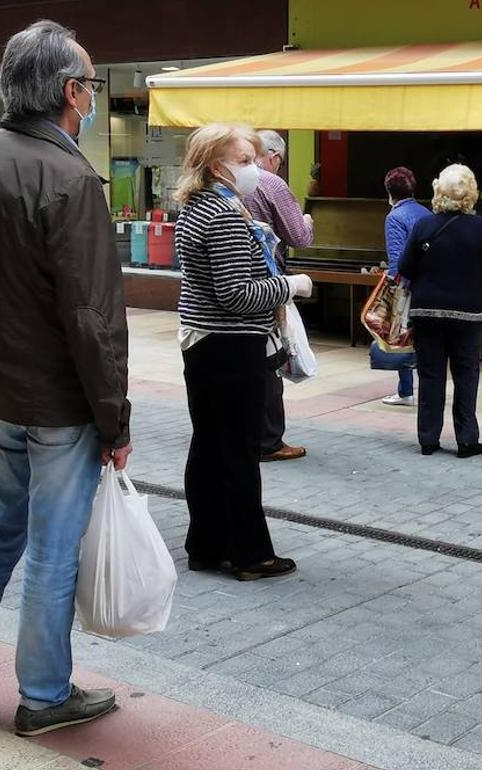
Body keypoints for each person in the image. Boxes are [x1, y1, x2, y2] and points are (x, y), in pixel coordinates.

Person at [0, 20, 132, 737]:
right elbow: (92, 315)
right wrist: (115, 419)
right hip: (57, 399)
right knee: (50, 550)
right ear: (71, 92)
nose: (93, 97)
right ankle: (44, 694)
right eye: (91, 86)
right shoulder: (70, 176)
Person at [174, 122, 313, 581]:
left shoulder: (196, 207)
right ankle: (250, 553)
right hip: (232, 346)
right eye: (245, 161)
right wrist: (288, 286)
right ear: (217, 166)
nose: (254, 169)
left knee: (210, 447)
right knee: (237, 452)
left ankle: (207, 545)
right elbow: (237, 294)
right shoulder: (223, 214)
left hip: (204, 344)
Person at [397, 164, 482, 458]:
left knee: (430, 375)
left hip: (427, 311)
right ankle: (467, 440)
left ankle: (428, 439)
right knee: (466, 376)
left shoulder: (424, 226)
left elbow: (405, 267)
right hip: (468, 313)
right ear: (471, 193)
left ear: (438, 192)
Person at [244, 129, 313, 463]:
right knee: (270, 359)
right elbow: (298, 236)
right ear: (272, 156)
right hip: (266, 285)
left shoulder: (217, 187)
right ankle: (269, 440)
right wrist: (307, 222)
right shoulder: (272, 184)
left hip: (227, 292)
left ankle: (242, 432)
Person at [377, 166, 430, 407]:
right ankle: (427, 387)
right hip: (430, 283)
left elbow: (397, 260)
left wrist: (396, 289)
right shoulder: (426, 212)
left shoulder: (394, 217)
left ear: (389, 192)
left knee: (402, 336)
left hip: (408, 285)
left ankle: (406, 390)